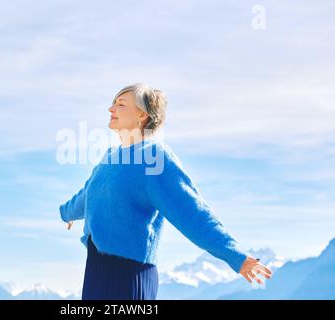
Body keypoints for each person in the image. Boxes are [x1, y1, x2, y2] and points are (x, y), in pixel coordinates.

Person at [59, 83, 272, 300]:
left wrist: (236, 256)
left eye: (120, 104)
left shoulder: (155, 158)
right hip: (96, 270)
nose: (111, 109)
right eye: (113, 103)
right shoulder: (110, 157)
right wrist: (66, 213)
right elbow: (87, 195)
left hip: (128, 275)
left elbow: (192, 212)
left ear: (142, 115)